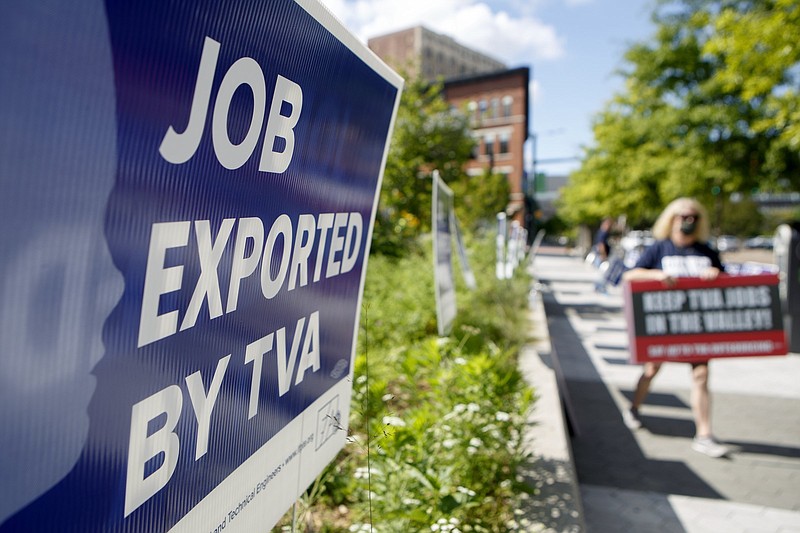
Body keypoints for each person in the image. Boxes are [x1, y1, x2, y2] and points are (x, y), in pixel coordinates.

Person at [621, 197, 729, 458]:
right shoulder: (659, 249)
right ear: (672, 219)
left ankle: (704, 434)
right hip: (664, 326)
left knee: (701, 375)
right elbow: (630, 275)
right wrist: (657, 276)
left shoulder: (707, 252)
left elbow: (729, 281)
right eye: (683, 216)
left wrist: (716, 275)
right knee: (651, 369)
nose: (688, 221)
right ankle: (634, 408)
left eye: (694, 217)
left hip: (697, 328)